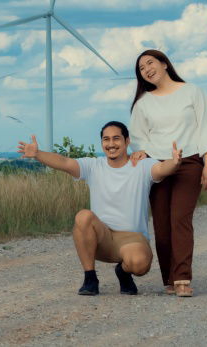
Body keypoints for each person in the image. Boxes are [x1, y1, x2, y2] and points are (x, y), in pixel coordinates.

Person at [18, 122, 183, 296]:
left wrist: (174, 162)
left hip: (131, 239)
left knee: (140, 263)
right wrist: (37, 154)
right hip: (101, 237)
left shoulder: (142, 165)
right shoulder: (94, 166)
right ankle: (90, 278)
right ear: (102, 143)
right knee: (83, 216)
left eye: (116, 138)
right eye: (106, 139)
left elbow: (162, 169)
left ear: (127, 141)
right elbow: (65, 162)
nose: (111, 144)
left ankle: (124, 272)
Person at [128, 49, 207, 298]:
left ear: (164, 63)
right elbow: (140, 138)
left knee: (180, 219)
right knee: (161, 226)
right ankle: (169, 279)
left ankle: (182, 277)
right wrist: (141, 153)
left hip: (189, 162)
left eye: (150, 63)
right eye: (141, 68)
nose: (147, 69)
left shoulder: (193, 92)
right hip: (158, 166)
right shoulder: (143, 103)